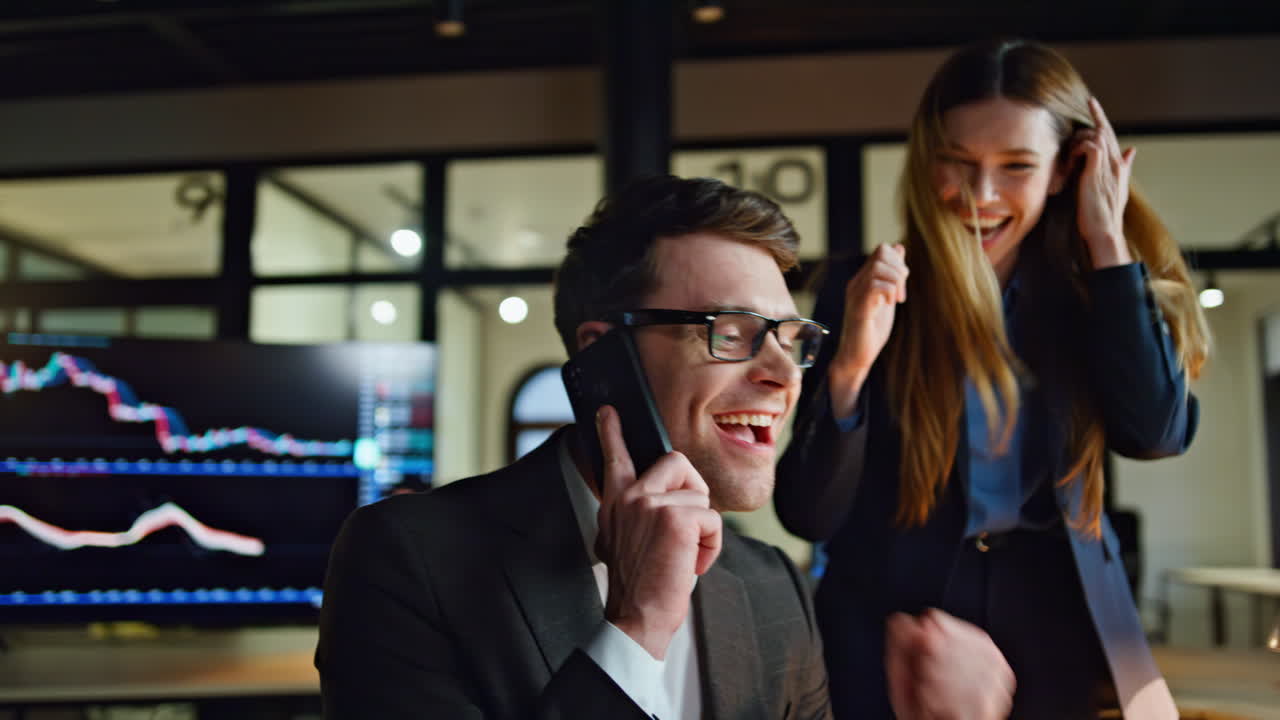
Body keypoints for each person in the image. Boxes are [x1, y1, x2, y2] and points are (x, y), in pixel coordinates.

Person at [316, 175, 1015, 719]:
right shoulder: (407, 559)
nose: (779, 374)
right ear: (604, 357)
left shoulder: (774, 586)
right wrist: (637, 625)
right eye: (732, 331)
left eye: (790, 339)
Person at [776, 38, 1210, 719]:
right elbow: (807, 512)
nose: (981, 196)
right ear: (927, 161)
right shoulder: (866, 290)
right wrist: (853, 367)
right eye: (958, 163)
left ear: (1068, 170)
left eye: (1016, 167)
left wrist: (1108, 243)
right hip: (897, 620)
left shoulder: (1092, 294)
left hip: (1052, 613)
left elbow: (1155, 433)